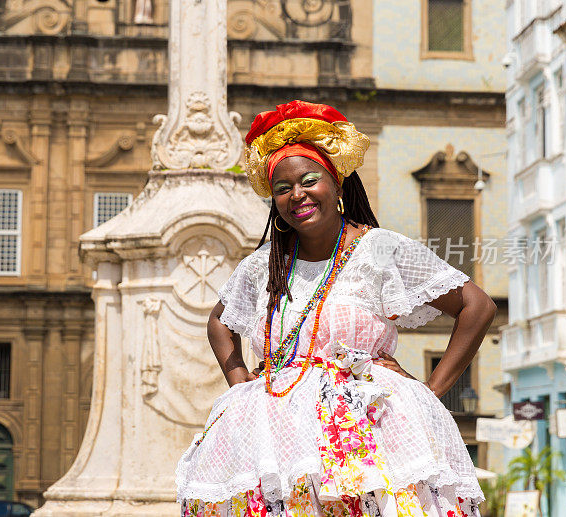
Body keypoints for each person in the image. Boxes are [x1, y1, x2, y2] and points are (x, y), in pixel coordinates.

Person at [175, 100, 497, 516]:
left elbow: (477, 305)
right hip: (276, 435)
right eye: (282, 188)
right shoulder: (264, 264)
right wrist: (240, 384)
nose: (297, 195)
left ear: (338, 185)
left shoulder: (379, 249)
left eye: (309, 180)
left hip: (367, 434)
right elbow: (220, 321)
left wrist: (430, 391)